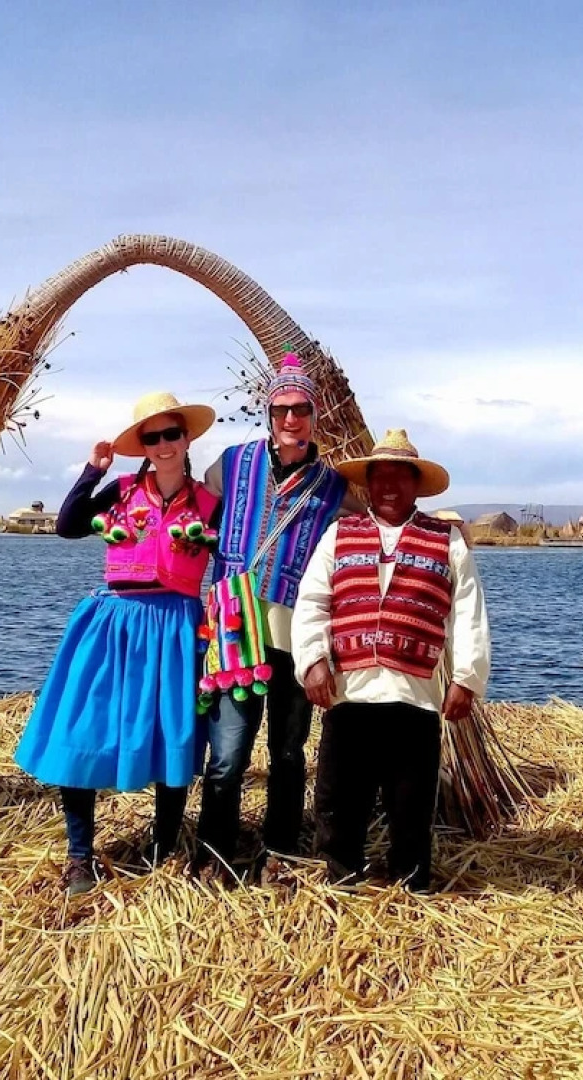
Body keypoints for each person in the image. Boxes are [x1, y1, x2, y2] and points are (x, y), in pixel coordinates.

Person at [15, 391, 220, 896]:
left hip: (175, 624)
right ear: (143, 446)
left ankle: (163, 848)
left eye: (171, 434)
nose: (163, 444)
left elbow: (236, 558)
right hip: (116, 620)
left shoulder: (209, 504)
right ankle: (79, 856)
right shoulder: (121, 490)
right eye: (152, 437)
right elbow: (66, 527)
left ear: (186, 438)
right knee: (85, 727)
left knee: (171, 731)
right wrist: (93, 470)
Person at [291, 428, 490, 892]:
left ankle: (410, 883)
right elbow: (312, 601)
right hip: (351, 695)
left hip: (413, 698)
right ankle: (343, 879)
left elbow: (468, 611)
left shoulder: (447, 542)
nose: (388, 486)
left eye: (400, 477)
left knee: (411, 802)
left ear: (416, 484)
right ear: (368, 483)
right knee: (340, 798)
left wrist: (466, 677)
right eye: (380, 476)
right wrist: (314, 660)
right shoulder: (340, 534)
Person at [195, 352, 358, 878]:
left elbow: (372, 523)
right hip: (234, 631)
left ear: (315, 417)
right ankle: (215, 851)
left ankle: (280, 851)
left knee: (288, 753)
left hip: (295, 638)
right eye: (283, 409)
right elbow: (192, 518)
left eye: (302, 409)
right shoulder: (230, 464)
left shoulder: (334, 487)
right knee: (228, 753)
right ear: (269, 414)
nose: (292, 419)